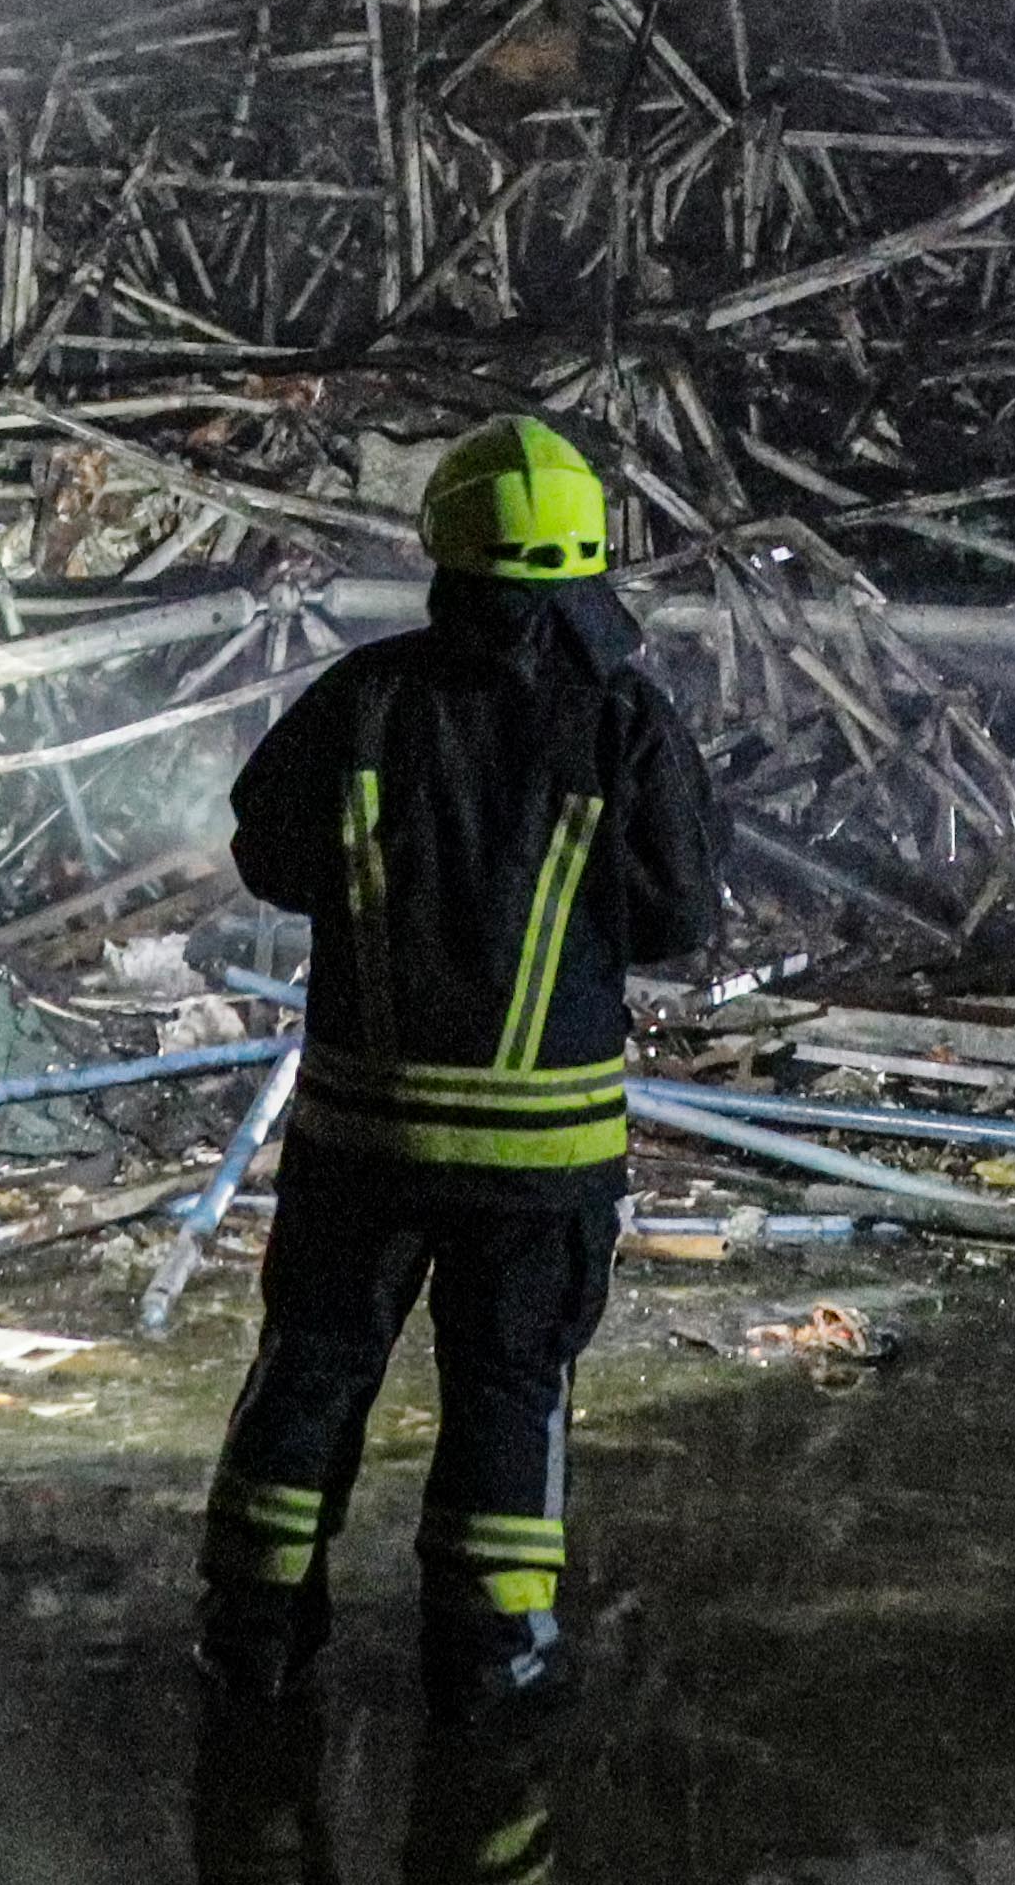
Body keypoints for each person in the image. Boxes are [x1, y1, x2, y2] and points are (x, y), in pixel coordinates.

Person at [202, 416, 722, 1718]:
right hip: (539, 1161)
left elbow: (266, 855)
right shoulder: (622, 717)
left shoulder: (365, 695)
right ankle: (489, 1652)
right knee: (506, 1390)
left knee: (312, 1365)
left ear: (443, 545)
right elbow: (676, 920)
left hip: (358, 1141)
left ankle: (253, 1629)